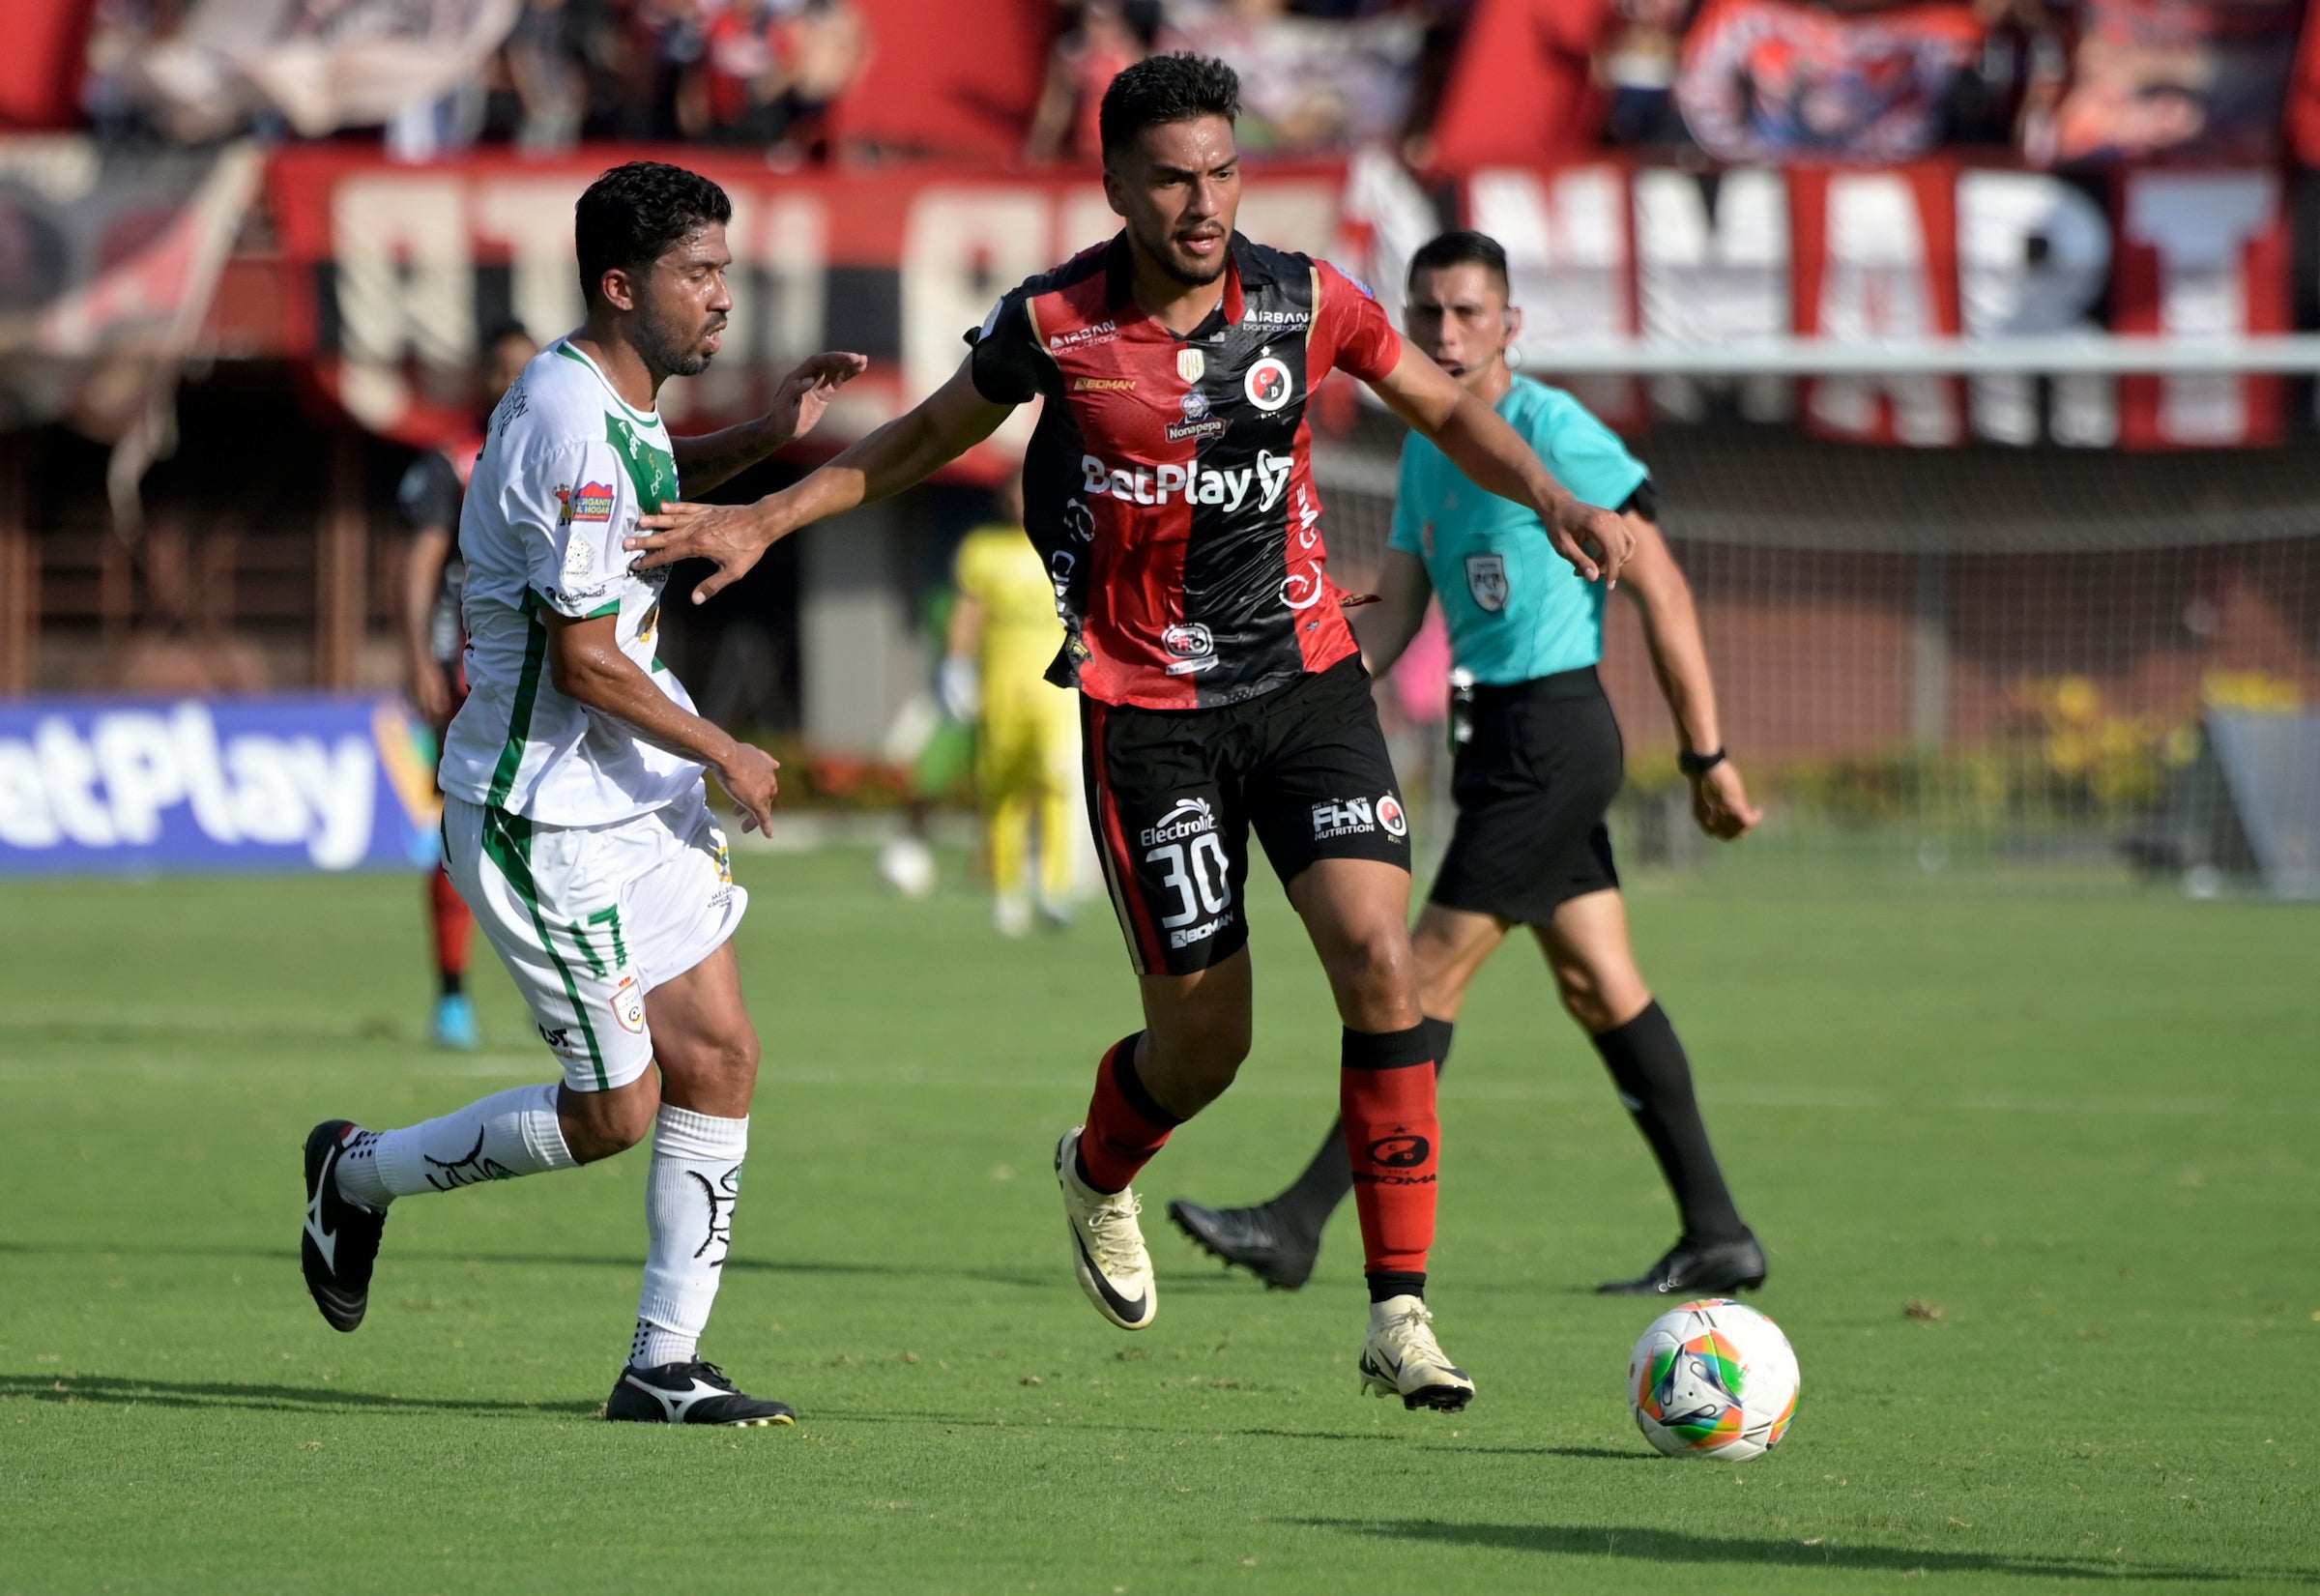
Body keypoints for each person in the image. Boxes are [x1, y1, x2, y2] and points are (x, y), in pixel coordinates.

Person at [627, 56, 1634, 1412]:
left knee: (1382, 963)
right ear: (1114, 185)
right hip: (1148, 717)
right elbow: (923, 439)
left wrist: (1561, 500)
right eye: (1172, 175)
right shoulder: (1053, 322)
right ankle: (1099, 1166)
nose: (1204, 200)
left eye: (1222, 170)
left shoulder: (1305, 298)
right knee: (1206, 1047)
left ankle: (1400, 1309)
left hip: (1306, 680)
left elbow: (1448, 406)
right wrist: (763, 514)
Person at [300, 160, 866, 1427]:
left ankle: (664, 1362)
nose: (723, 296)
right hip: (540, 813)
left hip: (622, 794)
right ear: (622, 284)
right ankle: (358, 1174)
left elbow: (646, 491)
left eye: (725, 269)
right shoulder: (564, 418)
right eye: (699, 275)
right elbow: (585, 654)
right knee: (618, 1111)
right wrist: (728, 745)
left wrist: (768, 433)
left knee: (719, 1053)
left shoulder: (613, 395)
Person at [1169, 229, 1770, 1299]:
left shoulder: (1552, 430)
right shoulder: (1421, 449)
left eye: (1467, 313)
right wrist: (1286, 700)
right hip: (1493, 742)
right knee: (1598, 982)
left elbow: (1664, 589)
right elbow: (1395, 617)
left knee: (1418, 974)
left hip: (1552, 739)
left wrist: (1706, 754)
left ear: (1510, 326)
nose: (1444, 334)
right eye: (1427, 313)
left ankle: (1300, 1220)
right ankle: (1718, 1231)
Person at [396, 320, 539, 1051]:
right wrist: (420, 656)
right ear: (485, 378)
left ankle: (550, 989)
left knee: (540, 833)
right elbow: (423, 561)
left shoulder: (556, 454)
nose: (515, 380)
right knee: (460, 826)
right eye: (503, 369)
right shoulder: (456, 462)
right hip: (464, 676)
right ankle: (452, 995)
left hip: (542, 680)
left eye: (528, 367)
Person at [942, 476, 1082, 936]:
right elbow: (969, 612)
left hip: (1055, 687)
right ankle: (1009, 893)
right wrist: (956, 668)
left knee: (1056, 780)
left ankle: (1055, 888)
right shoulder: (984, 550)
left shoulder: (1065, 540)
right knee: (1004, 787)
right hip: (1002, 684)